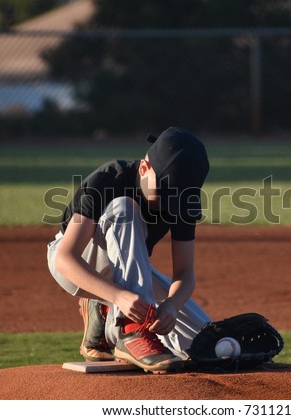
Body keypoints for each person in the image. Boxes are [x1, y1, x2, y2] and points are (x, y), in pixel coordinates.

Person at [47, 127, 212, 372]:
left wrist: (173, 305)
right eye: (165, 194)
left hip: (128, 273)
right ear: (144, 169)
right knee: (124, 208)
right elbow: (64, 259)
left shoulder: (183, 200)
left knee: (205, 342)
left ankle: (105, 313)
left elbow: (185, 274)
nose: (170, 204)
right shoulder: (108, 179)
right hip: (79, 264)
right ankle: (129, 329)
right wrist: (118, 296)